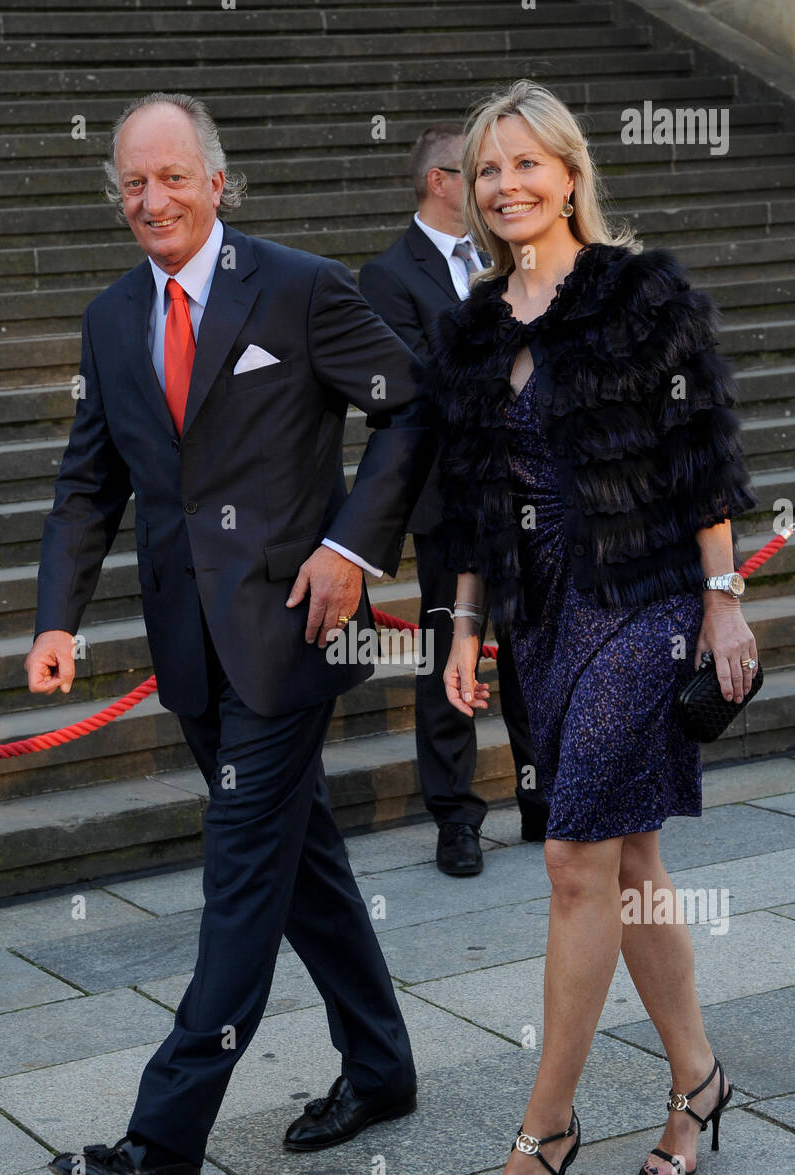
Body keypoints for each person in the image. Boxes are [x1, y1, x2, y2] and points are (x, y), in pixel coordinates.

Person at [24, 91, 433, 1175]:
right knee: (303, 864)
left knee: (240, 878)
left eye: (169, 177)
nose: (150, 200)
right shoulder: (112, 318)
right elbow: (87, 480)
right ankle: (384, 1067)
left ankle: (163, 1138)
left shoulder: (296, 287)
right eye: (131, 185)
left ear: (216, 181)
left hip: (290, 632)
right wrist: (57, 616)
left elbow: (411, 407)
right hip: (188, 647)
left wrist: (354, 542)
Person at [426, 80, 759, 1175]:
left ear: (569, 171)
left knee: (575, 858)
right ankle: (699, 1082)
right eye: (486, 170)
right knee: (628, 865)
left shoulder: (636, 292)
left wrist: (720, 601)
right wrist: (464, 627)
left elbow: (701, 441)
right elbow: (470, 497)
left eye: (525, 163)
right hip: (535, 614)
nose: (506, 184)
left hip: (643, 590)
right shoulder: (473, 324)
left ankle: (543, 1130)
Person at [359, 125, 549, 878]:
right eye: (479, 172)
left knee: (533, 650)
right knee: (449, 654)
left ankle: (546, 801)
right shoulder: (386, 276)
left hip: (536, 492)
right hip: (449, 498)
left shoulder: (515, 258)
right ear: (443, 181)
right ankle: (456, 819)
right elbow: (412, 390)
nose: (497, 187)